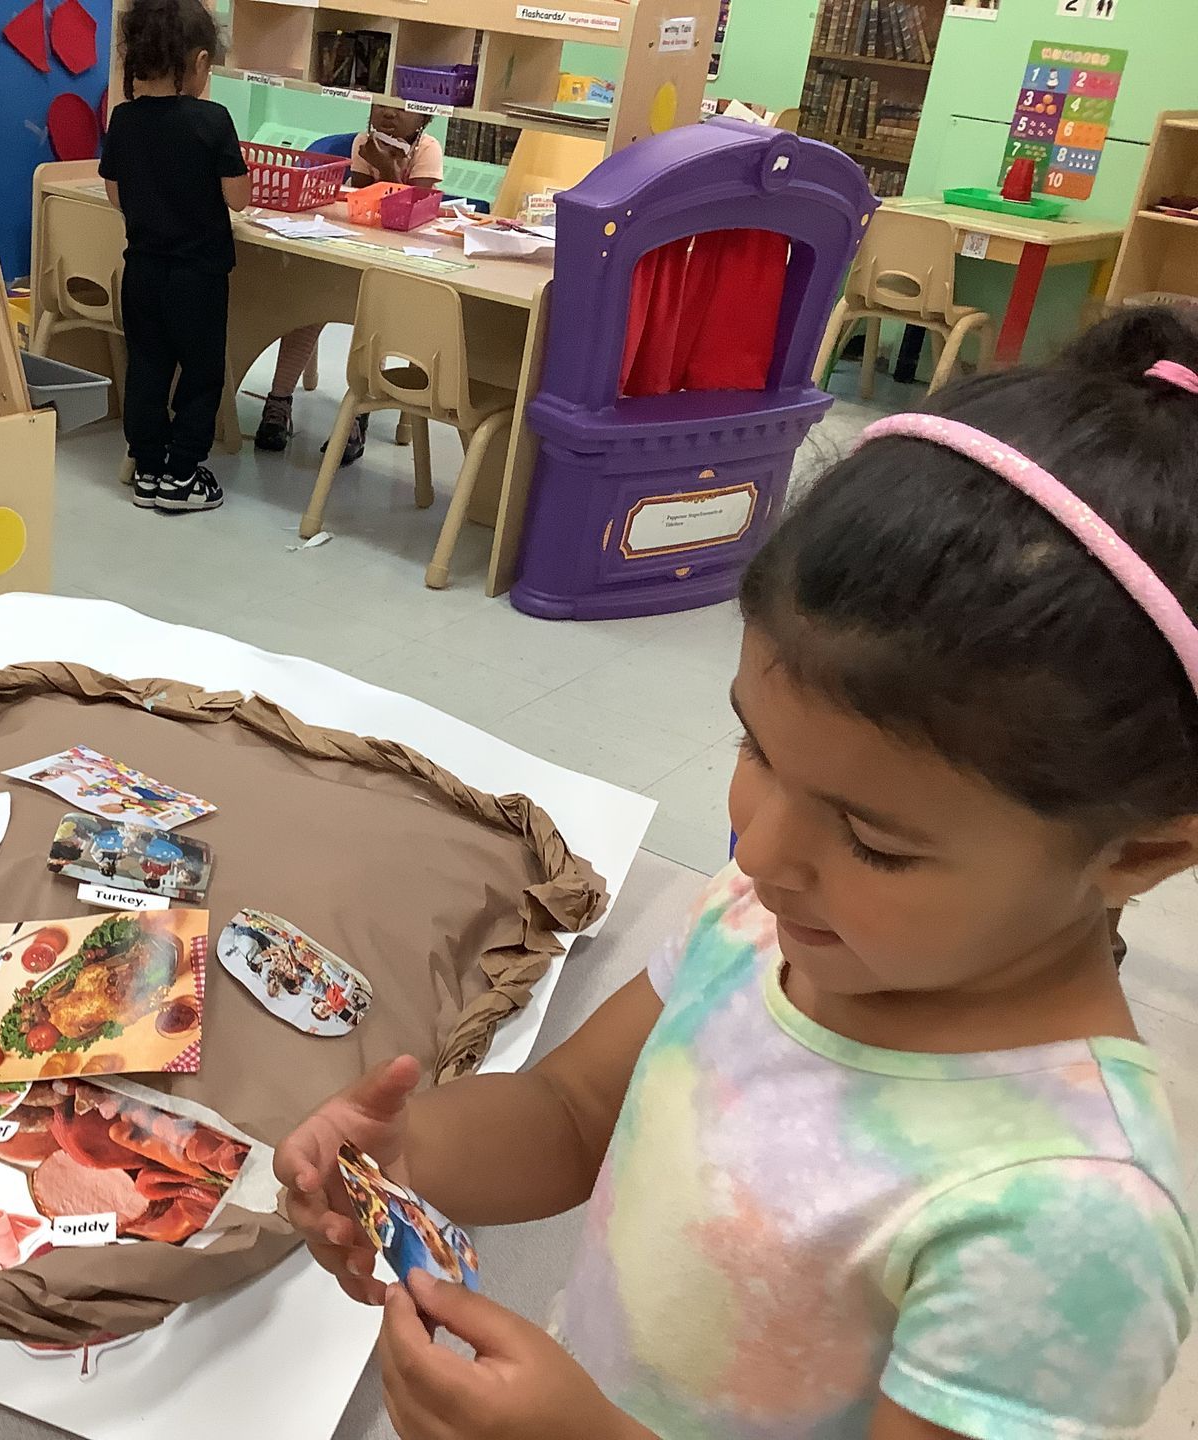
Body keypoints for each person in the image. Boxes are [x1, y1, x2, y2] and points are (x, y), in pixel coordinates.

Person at [277, 307, 1198, 1440]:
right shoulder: (770, 926)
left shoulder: (1065, 1217)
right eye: (755, 750)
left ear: (1144, 850)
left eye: (875, 840)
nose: (758, 854)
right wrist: (412, 1151)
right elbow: (573, 1114)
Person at [98, 0, 251, 514]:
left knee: (147, 366)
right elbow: (238, 198)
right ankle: (183, 473)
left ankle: (148, 468)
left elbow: (116, 195)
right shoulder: (212, 120)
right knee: (201, 371)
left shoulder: (123, 120)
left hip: (141, 270)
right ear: (200, 61)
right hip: (199, 275)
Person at [253, 104, 444, 460]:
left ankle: (358, 418)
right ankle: (279, 400)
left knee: (373, 325)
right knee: (310, 307)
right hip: (355, 253)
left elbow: (409, 210)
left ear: (423, 118)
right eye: (382, 105)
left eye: (403, 110)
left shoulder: (427, 149)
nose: (390, 114)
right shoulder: (362, 142)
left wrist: (387, 166)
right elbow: (363, 202)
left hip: (401, 265)